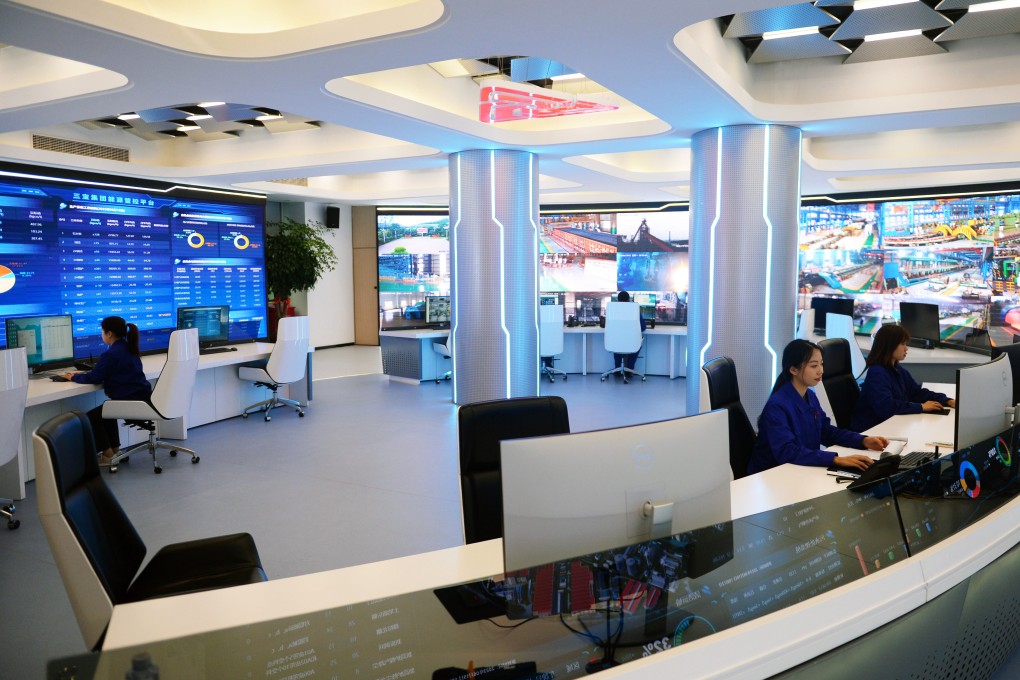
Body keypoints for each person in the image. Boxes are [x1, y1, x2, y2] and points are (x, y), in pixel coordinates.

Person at [748, 339, 887, 475]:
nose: (820, 371)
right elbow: (787, 452)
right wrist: (835, 459)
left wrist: (862, 440)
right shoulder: (777, 406)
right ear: (793, 370)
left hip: (801, 470)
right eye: (814, 366)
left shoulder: (810, 396)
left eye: (821, 364)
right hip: (773, 477)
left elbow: (826, 432)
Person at [61, 316, 151, 465]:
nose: (101, 335)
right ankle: (116, 451)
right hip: (142, 399)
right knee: (107, 411)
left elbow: (95, 378)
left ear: (109, 334)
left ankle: (108, 455)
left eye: (102, 332)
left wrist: (73, 377)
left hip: (129, 402)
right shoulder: (130, 348)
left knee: (93, 416)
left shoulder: (111, 354)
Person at [851, 324, 955, 432]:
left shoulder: (897, 369)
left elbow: (916, 393)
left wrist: (947, 401)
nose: (906, 348)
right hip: (872, 431)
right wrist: (921, 407)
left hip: (891, 425)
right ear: (889, 346)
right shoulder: (877, 373)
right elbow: (886, 407)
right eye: (902, 344)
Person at [613, 290, 646, 373]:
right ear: (629, 299)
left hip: (616, 341)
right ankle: (630, 369)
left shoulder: (612, 310)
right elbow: (643, 327)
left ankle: (617, 369)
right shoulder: (634, 309)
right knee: (636, 343)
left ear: (617, 300)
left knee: (616, 343)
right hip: (631, 341)